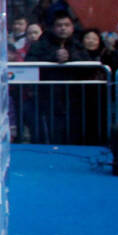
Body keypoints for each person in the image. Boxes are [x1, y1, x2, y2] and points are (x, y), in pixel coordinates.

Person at [28, 13, 89, 142]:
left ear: (72, 27)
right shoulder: (41, 44)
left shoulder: (77, 45)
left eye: (66, 25)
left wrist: (71, 57)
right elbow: (30, 63)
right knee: (53, 134)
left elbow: (88, 65)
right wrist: (53, 58)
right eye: (59, 25)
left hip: (74, 98)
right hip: (49, 97)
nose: (63, 28)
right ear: (53, 27)